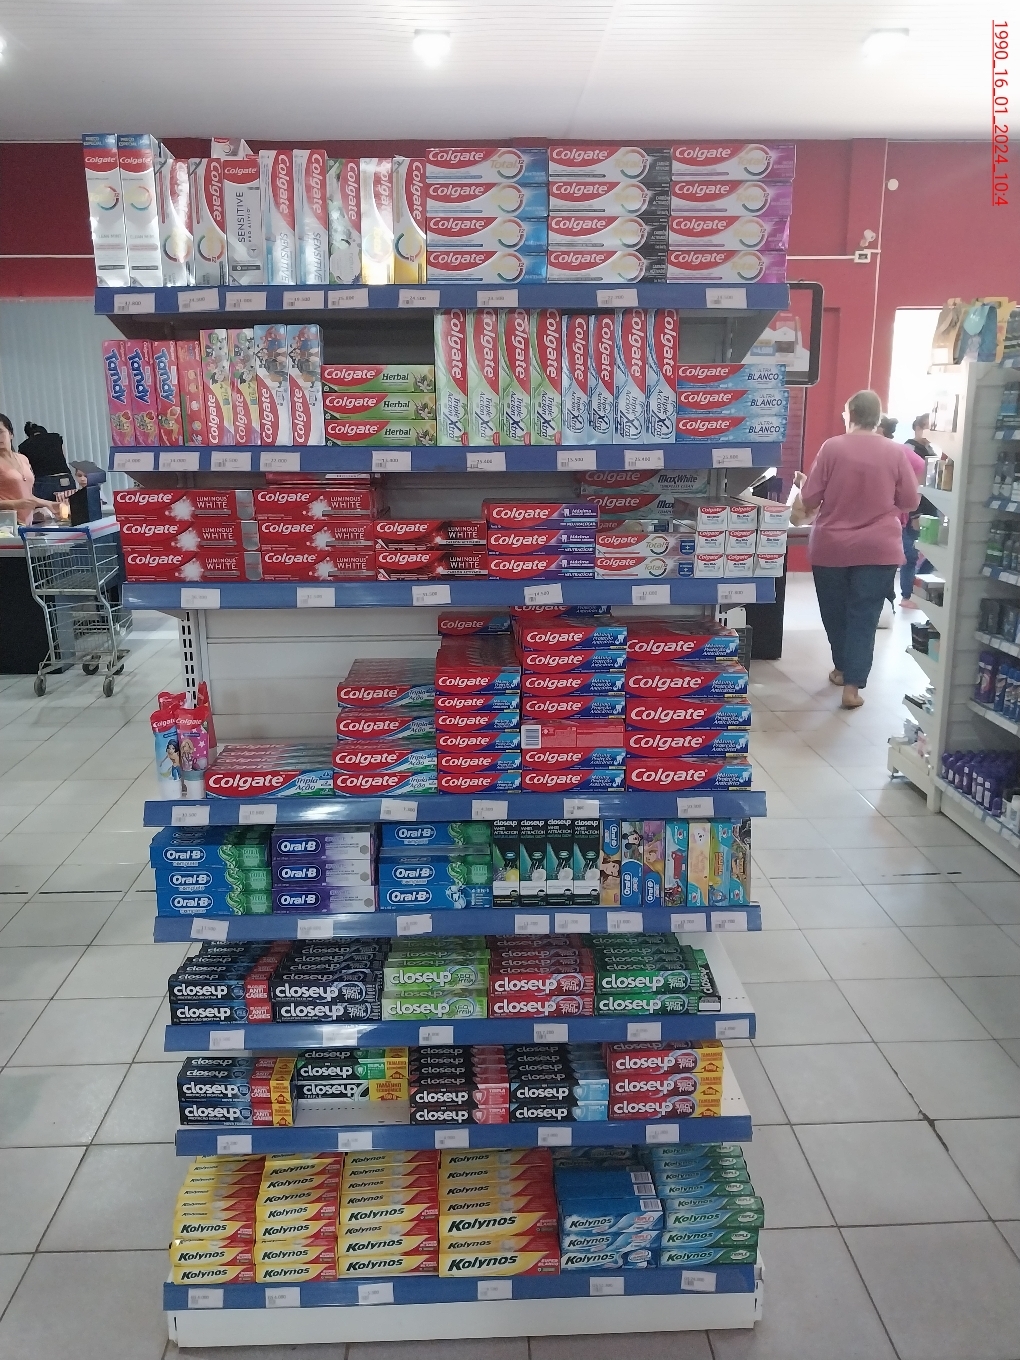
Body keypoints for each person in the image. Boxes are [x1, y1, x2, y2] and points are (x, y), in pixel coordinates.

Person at [799, 389, 921, 710]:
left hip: (831, 547)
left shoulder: (832, 447)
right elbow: (910, 501)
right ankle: (852, 687)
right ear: (877, 418)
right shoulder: (896, 452)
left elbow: (810, 497)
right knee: (864, 616)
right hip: (879, 548)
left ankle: (842, 668)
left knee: (834, 612)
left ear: (850, 414)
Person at [898, 413, 937, 608]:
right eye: (928, 426)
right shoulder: (909, 450)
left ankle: (919, 590)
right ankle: (908, 595)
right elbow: (910, 485)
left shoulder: (930, 449)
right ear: (918, 428)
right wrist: (914, 513)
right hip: (915, 511)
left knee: (931, 553)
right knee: (911, 555)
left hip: (930, 509)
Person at [0, 413, 62, 525]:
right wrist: (16, 504)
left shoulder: (22, 458)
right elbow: (23, 501)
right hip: (6, 524)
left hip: (27, 522)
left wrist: (49, 504)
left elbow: (28, 497)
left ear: (11, 434)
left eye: (0, 432)